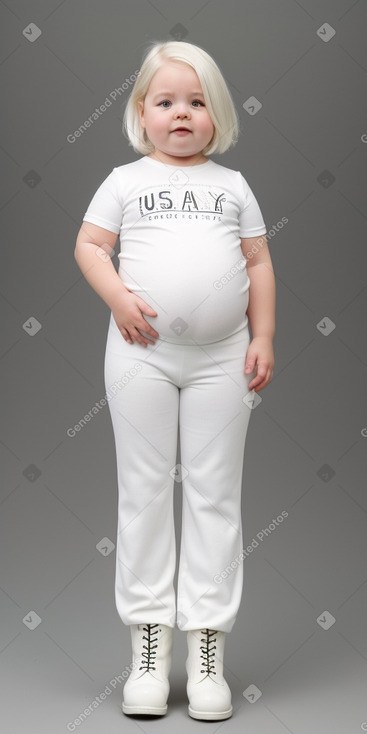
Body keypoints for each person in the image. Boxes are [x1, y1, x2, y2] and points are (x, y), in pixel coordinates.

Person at [74, 39, 275, 721]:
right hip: (141, 357)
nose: (180, 114)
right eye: (165, 103)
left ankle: (208, 650)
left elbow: (257, 266)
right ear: (141, 112)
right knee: (144, 493)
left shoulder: (233, 186)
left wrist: (265, 336)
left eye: (195, 103)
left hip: (225, 358)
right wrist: (119, 299)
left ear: (215, 114)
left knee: (216, 498)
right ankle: (148, 653)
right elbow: (90, 246)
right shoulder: (124, 181)